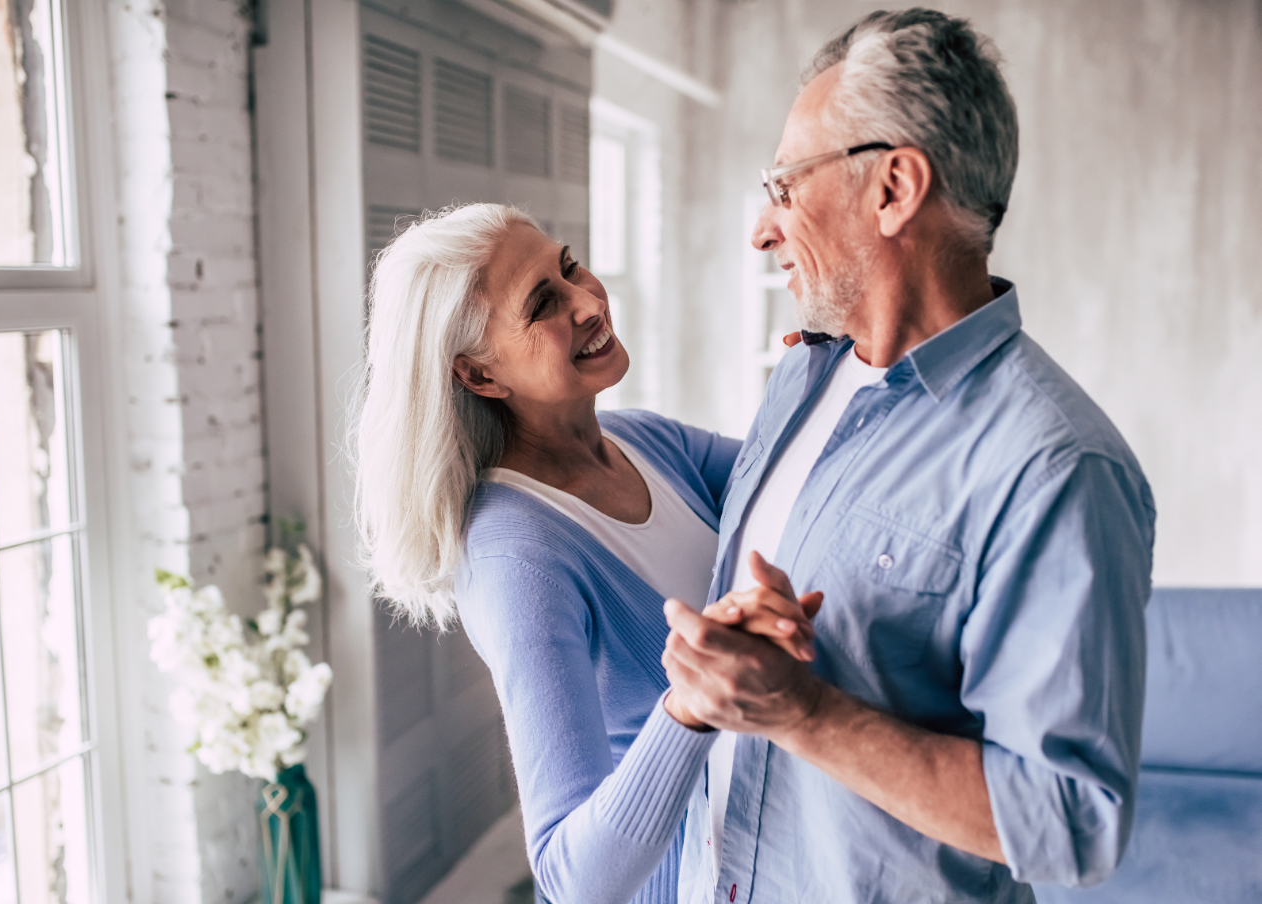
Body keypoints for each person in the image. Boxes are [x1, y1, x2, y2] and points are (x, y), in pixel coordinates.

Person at [659, 9, 1156, 904]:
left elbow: (1069, 822)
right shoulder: (802, 377)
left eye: (783, 184)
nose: (763, 230)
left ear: (893, 187)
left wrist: (801, 712)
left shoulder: (1057, 469)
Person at [351, 204, 815, 904]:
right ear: (479, 376)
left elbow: (803, 491)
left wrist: (820, 374)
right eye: (544, 303)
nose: (590, 301)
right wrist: (689, 704)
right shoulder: (519, 557)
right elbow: (572, 879)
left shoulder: (644, 441)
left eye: (569, 267)